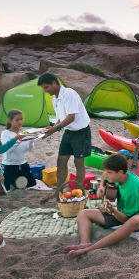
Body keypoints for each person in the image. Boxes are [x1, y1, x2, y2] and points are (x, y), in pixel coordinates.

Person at [64, 154, 139, 260]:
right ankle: (85, 243)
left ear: (120, 172)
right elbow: (104, 175)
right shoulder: (117, 176)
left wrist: (113, 211)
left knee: (134, 221)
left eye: (110, 173)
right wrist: (101, 187)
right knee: (83, 213)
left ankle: (89, 249)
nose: (107, 175)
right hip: (120, 210)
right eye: (108, 172)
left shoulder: (133, 189)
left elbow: (126, 219)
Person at [38, 73, 91, 201]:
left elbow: (71, 117)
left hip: (81, 132)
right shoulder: (54, 99)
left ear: (54, 83)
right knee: (61, 161)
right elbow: (61, 119)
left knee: (79, 163)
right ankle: (59, 190)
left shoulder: (69, 94)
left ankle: (79, 192)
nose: (46, 91)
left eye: (47, 87)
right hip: (68, 132)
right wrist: (51, 128)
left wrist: (55, 129)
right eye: (44, 88)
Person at [0, 109, 36, 191]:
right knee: (6, 188)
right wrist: (18, 139)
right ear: (10, 121)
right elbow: (8, 150)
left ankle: (16, 180)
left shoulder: (24, 132)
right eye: (17, 120)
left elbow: (29, 149)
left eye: (21, 119)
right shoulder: (5, 133)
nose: (20, 122)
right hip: (9, 166)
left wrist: (31, 140)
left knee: (32, 184)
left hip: (23, 164)